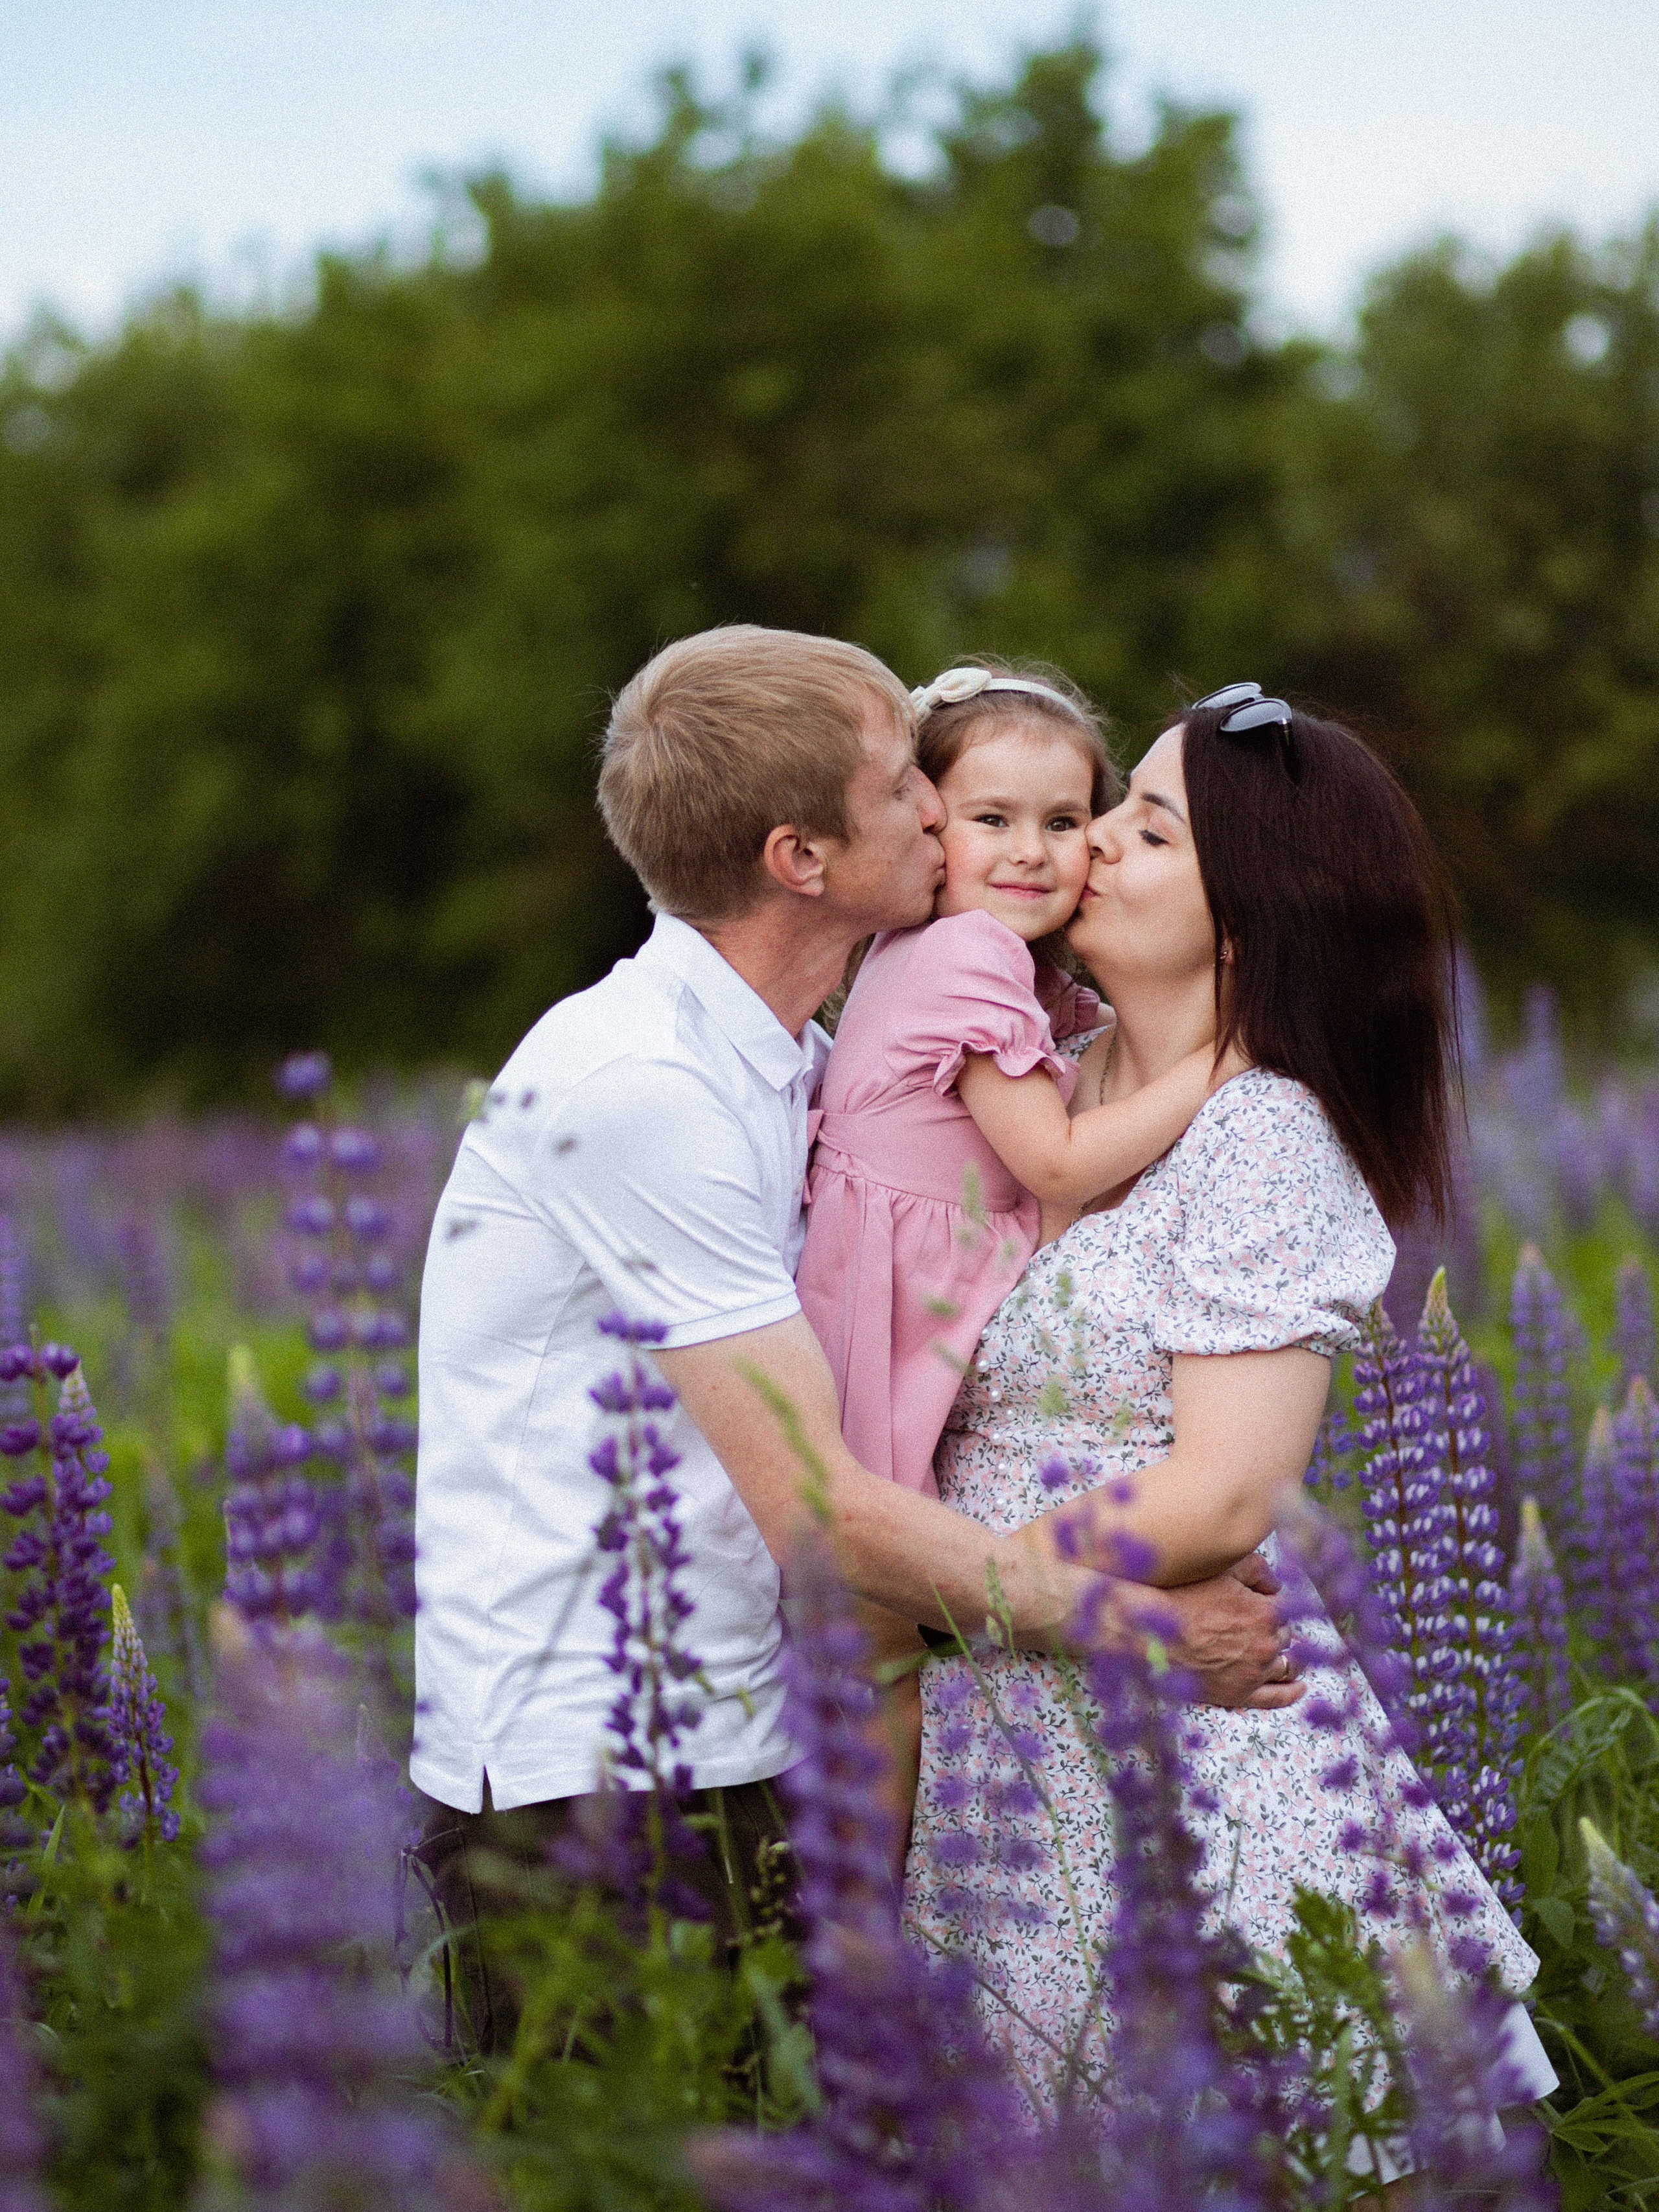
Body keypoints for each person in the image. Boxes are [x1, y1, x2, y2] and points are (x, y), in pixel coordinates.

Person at [410, 628, 1296, 2049]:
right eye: (904, 788)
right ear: (798, 859)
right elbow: (819, 1509)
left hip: (756, 1734)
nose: (939, 811)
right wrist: (1137, 1628)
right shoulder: (641, 1087)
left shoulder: (803, 1066)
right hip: (594, 1784)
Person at [901, 684, 1555, 2148]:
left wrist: (952, 1597)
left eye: (1146, 826)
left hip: (1198, 1754)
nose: (1093, 848)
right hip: (1020, 1729)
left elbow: (1219, 1495)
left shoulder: (1259, 1131)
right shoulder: (1050, 1089)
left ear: (1248, 918)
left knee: (1277, 2147)